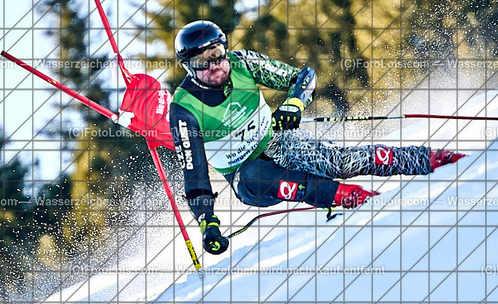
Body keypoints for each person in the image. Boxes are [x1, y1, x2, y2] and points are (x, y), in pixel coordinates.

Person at [170, 20, 464, 255]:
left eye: (216, 55)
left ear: (224, 49)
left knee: (342, 163)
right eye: (201, 63)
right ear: (188, 67)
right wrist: (208, 223)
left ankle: (432, 160)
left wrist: (294, 104)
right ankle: (350, 198)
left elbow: (304, 77)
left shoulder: (243, 63)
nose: (213, 67)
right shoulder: (184, 109)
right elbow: (195, 176)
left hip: (278, 142)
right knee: (258, 176)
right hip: (244, 175)